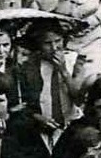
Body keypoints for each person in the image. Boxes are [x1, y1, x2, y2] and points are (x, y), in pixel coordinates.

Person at [18, 19, 84, 150]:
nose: (54, 48)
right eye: (47, 43)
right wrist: (37, 118)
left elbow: (79, 97)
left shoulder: (75, 61)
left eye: (58, 41)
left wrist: (64, 71)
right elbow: (24, 102)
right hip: (42, 127)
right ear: (38, 45)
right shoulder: (29, 66)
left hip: (72, 124)